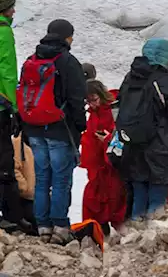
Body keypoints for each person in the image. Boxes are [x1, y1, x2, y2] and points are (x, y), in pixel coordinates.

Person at [20, 19, 86, 243]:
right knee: (60, 180)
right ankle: (60, 227)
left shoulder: (32, 59)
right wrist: (80, 127)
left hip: (35, 129)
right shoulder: (68, 62)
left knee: (41, 178)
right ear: (67, 37)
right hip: (60, 129)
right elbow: (77, 100)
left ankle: (43, 227)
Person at [116, 39, 168, 220]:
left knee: (139, 195)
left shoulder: (130, 77)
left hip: (133, 145)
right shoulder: (164, 79)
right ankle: (153, 239)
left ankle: (134, 238)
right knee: (157, 197)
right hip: (159, 146)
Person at [80, 79, 126, 228]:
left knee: (113, 200)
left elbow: (120, 135)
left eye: (94, 100)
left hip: (111, 166)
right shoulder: (95, 112)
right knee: (94, 200)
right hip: (98, 165)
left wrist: (106, 139)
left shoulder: (113, 110)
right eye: (89, 101)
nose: (92, 104)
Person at [0, 0, 23, 232]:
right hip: (1, 104)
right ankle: (11, 215)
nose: (13, 12)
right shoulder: (3, 31)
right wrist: (14, 106)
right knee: (4, 157)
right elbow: (6, 69)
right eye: (10, 7)